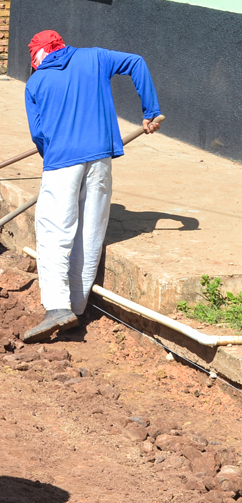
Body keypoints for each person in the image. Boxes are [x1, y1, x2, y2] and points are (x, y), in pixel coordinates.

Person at [22, 30, 162, 343]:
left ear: (38, 58)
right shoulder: (95, 56)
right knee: (90, 234)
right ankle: (77, 308)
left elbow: (39, 135)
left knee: (53, 232)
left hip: (61, 163)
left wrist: (56, 150)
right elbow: (136, 62)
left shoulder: (36, 82)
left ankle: (57, 306)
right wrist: (150, 111)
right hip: (100, 158)